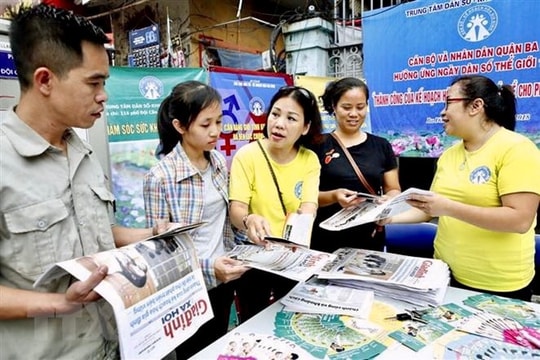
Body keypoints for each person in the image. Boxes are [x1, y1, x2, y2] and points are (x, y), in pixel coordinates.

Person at [0, 4, 172, 359]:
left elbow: (93, 230)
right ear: (45, 80)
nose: (104, 95)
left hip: (114, 345)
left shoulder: (81, 149)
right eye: (94, 82)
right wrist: (60, 303)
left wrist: (151, 237)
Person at [385, 75, 540, 301]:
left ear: (476, 106)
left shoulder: (517, 149)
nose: (442, 112)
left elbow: (519, 220)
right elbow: (430, 209)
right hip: (445, 275)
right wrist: (388, 217)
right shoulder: (449, 155)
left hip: (498, 285)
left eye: (449, 102)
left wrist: (448, 208)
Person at [143, 80, 249, 358]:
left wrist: (250, 245)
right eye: (205, 124)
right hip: (188, 289)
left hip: (224, 280)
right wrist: (209, 267)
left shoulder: (217, 162)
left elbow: (224, 222)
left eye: (218, 121)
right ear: (180, 126)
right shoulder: (160, 178)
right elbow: (159, 251)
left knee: (217, 349)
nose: (215, 131)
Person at [229, 85, 323, 321]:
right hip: (255, 261)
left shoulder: (309, 159)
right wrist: (249, 219)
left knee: (291, 323)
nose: (279, 123)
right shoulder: (247, 155)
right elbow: (236, 209)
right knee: (252, 324)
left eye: (291, 118)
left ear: (305, 127)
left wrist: (301, 233)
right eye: (275, 114)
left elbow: (309, 206)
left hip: (293, 258)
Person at [309, 77, 401, 253]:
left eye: (360, 107)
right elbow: (304, 196)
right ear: (333, 107)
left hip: (369, 236)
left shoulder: (381, 146)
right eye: (346, 107)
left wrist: (387, 201)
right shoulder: (317, 145)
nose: (354, 114)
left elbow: (393, 189)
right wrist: (334, 196)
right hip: (325, 239)